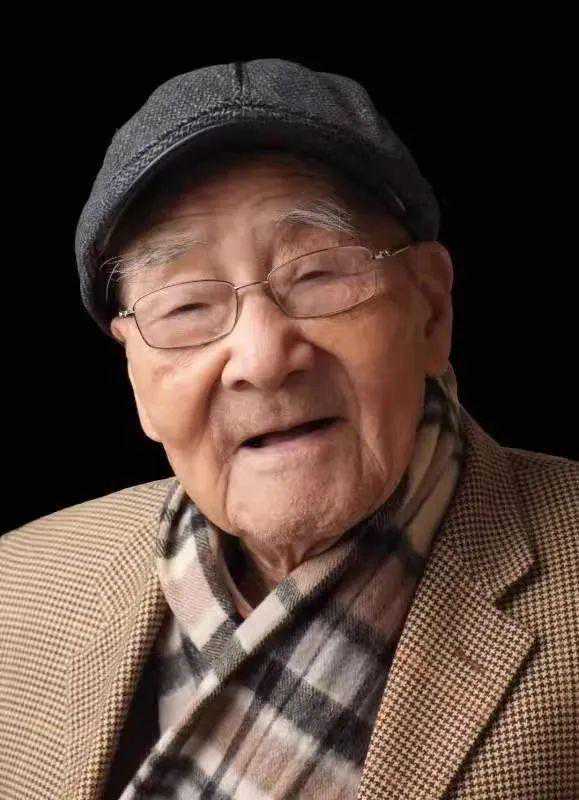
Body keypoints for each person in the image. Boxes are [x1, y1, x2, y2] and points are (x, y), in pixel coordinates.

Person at [0, 59, 577, 800]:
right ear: (136, 375)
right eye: (187, 307)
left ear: (430, 311)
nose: (263, 358)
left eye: (317, 275)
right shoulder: (19, 585)